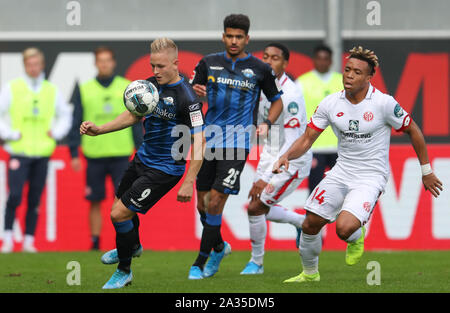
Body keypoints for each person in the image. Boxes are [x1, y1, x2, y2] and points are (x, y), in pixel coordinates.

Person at [273, 46, 443, 283]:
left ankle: (356, 234)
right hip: (341, 171)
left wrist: (426, 171)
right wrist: (285, 156)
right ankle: (309, 275)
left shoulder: (383, 103)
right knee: (310, 222)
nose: (349, 76)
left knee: (343, 229)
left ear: (369, 77)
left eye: (357, 72)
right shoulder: (331, 103)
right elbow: (307, 138)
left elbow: (413, 129)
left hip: (370, 176)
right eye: (347, 70)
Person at [80, 38, 206, 289]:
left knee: (119, 213)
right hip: (142, 159)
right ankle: (132, 245)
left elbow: (200, 141)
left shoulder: (188, 98)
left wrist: (188, 182)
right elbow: (133, 114)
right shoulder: (149, 85)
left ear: (175, 63)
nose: (155, 71)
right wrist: (100, 129)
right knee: (119, 209)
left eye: (160, 66)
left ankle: (124, 270)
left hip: (166, 168)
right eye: (152, 66)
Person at [188, 14, 284, 280]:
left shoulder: (260, 69)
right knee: (203, 206)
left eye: (238, 37)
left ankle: (200, 261)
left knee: (217, 201)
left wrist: (266, 122)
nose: (233, 41)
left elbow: (277, 101)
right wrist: (195, 93)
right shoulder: (208, 63)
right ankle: (219, 246)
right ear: (223, 37)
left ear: (247, 39)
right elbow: (190, 93)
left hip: (238, 143)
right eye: (229, 36)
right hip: (209, 140)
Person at [241, 43, 312, 275]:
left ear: (285, 63)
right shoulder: (264, 89)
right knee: (259, 206)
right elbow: (271, 140)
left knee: (255, 207)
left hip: (292, 162)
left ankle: (257, 263)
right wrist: (262, 174)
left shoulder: (290, 95)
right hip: (274, 154)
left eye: (275, 58)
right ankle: (301, 223)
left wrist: (265, 177)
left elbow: (291, 142)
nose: (269, 61)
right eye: (265, 57)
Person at [68, 46, 143, 250]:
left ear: (114, 62)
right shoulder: (85, 89)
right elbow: (76, 120)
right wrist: (73, 152)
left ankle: (131, 241)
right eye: (100, 60)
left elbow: (135, 120)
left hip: (120, 153)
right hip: (94, 154)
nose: (104, 64)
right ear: (95, 63)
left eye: (107, 60)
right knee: (95, 200)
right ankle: (95, 242)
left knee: (126, 201)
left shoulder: (126, 87)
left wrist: (140, 148)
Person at [0, 47, 72, 253]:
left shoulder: (51, 90)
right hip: (19, 151)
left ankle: (29, 240)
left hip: (42, 151)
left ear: (42, 65)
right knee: (14, 196)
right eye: (29, 64)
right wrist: (9, 133)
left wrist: (57, 133)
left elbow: (65, 115)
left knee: (35, 197)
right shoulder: (12, 87)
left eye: (36, 64)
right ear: (25, 66)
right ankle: (7, 238)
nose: (33, 68)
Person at [296, 45, 342, 194]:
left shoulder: (341, 81)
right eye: (319, 59)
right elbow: (297, 114)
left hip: (339, 146)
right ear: (314, 60)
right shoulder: (302, 82)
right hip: (314, 145)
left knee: (340, 190)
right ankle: (314, 217)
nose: (322, 62)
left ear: (331, 61)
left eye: (326, 59)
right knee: (315, 190)